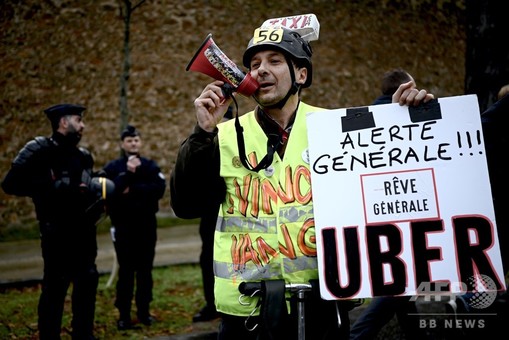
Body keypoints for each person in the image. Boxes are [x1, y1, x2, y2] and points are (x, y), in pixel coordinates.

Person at [170, 24, 433, 340]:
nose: (261, 70)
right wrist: (202, 134)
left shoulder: (337, 128)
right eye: (255, 65)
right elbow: (186, 206)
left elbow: (392, 192)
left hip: (322, 308)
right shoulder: (221, 136)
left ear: (302, 75)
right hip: (246, 313)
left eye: (275, 61)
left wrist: (408, 118)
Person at [1, 103, 112, 340]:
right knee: (55, 288)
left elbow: (85, 188)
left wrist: (98, 188)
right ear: (64, 122)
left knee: (87, 283)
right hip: (56, 234)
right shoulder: (39, 149)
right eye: (78, 120)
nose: (82, 125)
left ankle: (83, 335)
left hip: (84, 233)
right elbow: (10, 184)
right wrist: (51, 188)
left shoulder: (83, 156)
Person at [349, 68, 428, 340]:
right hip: (406, 222)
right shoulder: (412, 117)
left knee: (403, 288)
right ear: (409, 86)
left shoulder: (362, 118)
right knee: (400, 288)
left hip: (376, 222)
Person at [102, 124, 166, 330]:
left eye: (136, 140)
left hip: (147, 225)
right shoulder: (114, 168)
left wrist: (133, 189)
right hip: (123, 227)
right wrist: (127, 176)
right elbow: (110, 192)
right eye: (129, 140)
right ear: (123, 143)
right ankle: (124, 315)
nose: (133, 143)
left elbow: (158, 189)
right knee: (126, 272)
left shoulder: (150, 166)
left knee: (145, 271)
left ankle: (144, 312)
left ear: (141, 142)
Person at [193, 106, 232, 323]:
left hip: (235, 216)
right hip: (210, 216)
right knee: (208, 259)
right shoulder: (205, 149)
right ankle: (212, 304)